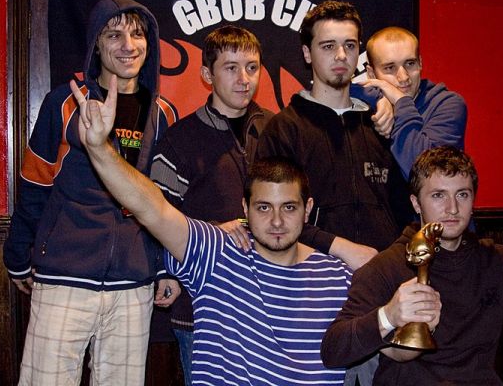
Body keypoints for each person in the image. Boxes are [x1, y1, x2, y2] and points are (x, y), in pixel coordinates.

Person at [70, 76, 354, 383]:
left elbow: (385, 343)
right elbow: (152, 207)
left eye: (288, 207)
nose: (276, 221)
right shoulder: (216, 255)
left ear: (307, 209)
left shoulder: (337, 276)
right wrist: (100, 149)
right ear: (245, 209)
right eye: (263, 207)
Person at [150, 24, 378, 385]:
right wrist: (177, 264)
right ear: (207, 75)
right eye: (231, 68)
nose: (244, 79)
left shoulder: (279, 129)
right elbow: (156, 218)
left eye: (252, 67)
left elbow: (301, 206)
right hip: (205, 309)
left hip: (279, 305)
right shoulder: (180, 140)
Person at [3, 0, 178, 385]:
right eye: (113, 35)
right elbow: (35, 182)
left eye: (137, 34)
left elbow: (165, 202)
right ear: (96, 44)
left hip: (133, 283)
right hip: (65, 276)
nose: (128, 45)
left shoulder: (163, 113)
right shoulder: (65, 103)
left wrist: (165, 267)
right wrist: (18, 255)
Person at [321, 146, 503, 385]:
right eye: (438, 195)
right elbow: (333, 350)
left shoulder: (495, 260)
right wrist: (388, 316)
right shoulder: (386, 268)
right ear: (416, 203)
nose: (452, 208)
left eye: (462, 194)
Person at [257, 0, 413, 255]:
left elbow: (408, 206)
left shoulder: (381, 123)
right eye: (328, 46)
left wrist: (392, 261)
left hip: (381, 270)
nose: (341, 55)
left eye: (349, 45)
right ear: (307, 53)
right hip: (311, 270)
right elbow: (272, 218)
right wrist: (340, 248)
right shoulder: (284, 129)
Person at [350, 26, 467, 179]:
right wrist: (380, 98)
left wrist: (400, 102)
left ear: (420, 63)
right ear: (371, 74)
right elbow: (332, 89)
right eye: (390, 68)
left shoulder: (447, 105)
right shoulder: (368, 102)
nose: (404, 77)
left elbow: (429, 176)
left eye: (410, 63)